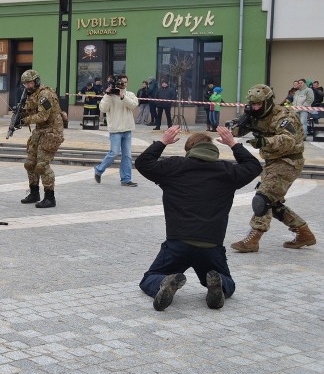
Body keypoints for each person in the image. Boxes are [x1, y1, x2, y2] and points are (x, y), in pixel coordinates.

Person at [134, 126, 263, 311]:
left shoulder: (173, 167)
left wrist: (162, 142)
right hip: (211, 246)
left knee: (150, 277)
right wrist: (233, 144)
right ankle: (218, 284)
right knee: (228, 282)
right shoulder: (227, 172)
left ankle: (164, 282)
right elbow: (254, 166)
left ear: (189, 150)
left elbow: (143, 162)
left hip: (177, 244)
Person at [229, 84, 316, 252]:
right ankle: (304, 232)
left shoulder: (284, 116)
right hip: (272, 162)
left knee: (263, 199)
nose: (255, 107)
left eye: (258, 104)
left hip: (289, 161)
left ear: (268, 102)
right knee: (273, 204)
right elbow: (236, 132)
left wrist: (264, 142)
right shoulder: (256, 114)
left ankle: (253, 239)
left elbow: (288, 140)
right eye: (253, 104)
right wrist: (243, 121)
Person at [17, 70, 65, 208]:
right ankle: (34, 193)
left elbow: (43, 116)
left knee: (42, 165)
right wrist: (20, 113)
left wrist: (25, 120)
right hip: (40, 130)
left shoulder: (45, 95)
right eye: (25, 84)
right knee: (29, 163)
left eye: (30, 83)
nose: (27, 86)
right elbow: (30, 110)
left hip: (51, 131)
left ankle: (50, 197)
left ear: (36, 81)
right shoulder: (31, 94)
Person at [93, 75, 139, 187]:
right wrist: (108, 95)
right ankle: (99, 170)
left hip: (127, 129)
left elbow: (133, 105)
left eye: (125, 82)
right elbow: (103, 109)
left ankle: (126, 179)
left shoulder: (130, 94)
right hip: (115, 129)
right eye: (121, 82)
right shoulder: (109, 96)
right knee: (114, 153)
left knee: (127, 155)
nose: (122, 84)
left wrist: (122, 96)